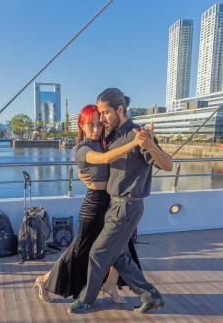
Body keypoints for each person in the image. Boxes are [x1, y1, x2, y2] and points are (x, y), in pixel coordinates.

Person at [68, 88, 173, 314]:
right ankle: (151, 296)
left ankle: (87, 300)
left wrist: (150, 146)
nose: (102, 118)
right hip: (112, 203)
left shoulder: (138, 134)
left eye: (105, 113)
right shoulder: (110, 134)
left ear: (120, 109)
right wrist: (82, 172)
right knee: (119, 256)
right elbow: (99, 159)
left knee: (98, 253)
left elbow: (168, 165)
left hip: (128, 205)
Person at [33, 104, 146, 303]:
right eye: (90, 125)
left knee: (122, 247)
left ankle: (110, 285)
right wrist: (134, 143)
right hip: (94, 206)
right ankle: (43, 280)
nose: (95, 129)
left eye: (98, 125)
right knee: (78, 253)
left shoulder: (105, 142)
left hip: (114, 202)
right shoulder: (82, 148)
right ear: (81, 126)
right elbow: (103, 159)